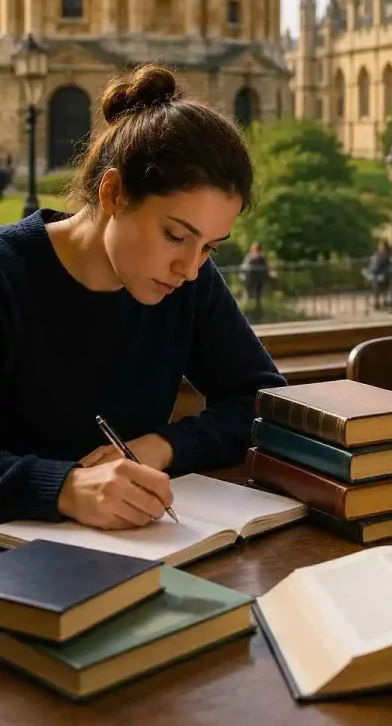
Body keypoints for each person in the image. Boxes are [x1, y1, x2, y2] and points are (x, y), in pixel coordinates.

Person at [0, 64, 285, 530]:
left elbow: (263, 401)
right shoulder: (8, 274)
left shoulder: (190, 281)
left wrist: (162, 445)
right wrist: (65, 487)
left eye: (210, 246)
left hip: (133, 554)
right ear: (113, 193)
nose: (191, 268)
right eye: (176, 235)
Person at [241, 242, 269, 312]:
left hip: (259, 280)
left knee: (258, 295)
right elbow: (244, 267)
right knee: (248, 293)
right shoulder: (249, 257)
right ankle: (246, 307)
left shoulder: (262, 258)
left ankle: (258, 307)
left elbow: (265, 268)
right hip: (250, 279)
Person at [365, 239, 391, 309]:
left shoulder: (386, 255)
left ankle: (383, 301)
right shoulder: (376, 254)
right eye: (380, 245)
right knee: (376, 288)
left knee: (382, 288)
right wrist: (370, 271)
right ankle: (377, 302)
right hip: (375, 275)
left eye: (382, 245)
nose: (380, 247)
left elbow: (385, 266)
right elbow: (373, 264)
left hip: (383, 275)